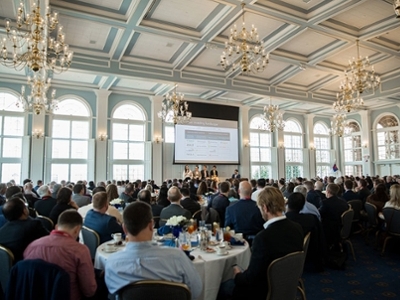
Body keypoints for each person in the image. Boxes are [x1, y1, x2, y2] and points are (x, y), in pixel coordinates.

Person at [105, 201, 202, 298]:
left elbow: (113, 294)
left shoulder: (112, 263)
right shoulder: (177, 257)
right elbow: (196, 291)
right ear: (151, 225)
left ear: (124, 229)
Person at [221, 186, 303, 300]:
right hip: (288, 285)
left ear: (265, 208)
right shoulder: (297, 228)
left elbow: (251, 280)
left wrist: (237, 274)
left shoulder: (263, 238)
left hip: (263, 292)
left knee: (223, 287)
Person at [24, 210, 99, 300]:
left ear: (56, 227)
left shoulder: (32, 246)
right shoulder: (79, 250)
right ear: (77, 230)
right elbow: (89, 291)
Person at [0, 197, 49, 263]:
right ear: (24, 211)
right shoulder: (34, 225)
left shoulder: (3, 229)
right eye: (25, 206)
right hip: (26, 262)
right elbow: (49, 241)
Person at [224, 181, 264, 245]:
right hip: (258, 243)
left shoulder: (230, 209)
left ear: (239, 191)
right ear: (251, 191)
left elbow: (227, 229)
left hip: (238, 243)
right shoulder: (260, 207)